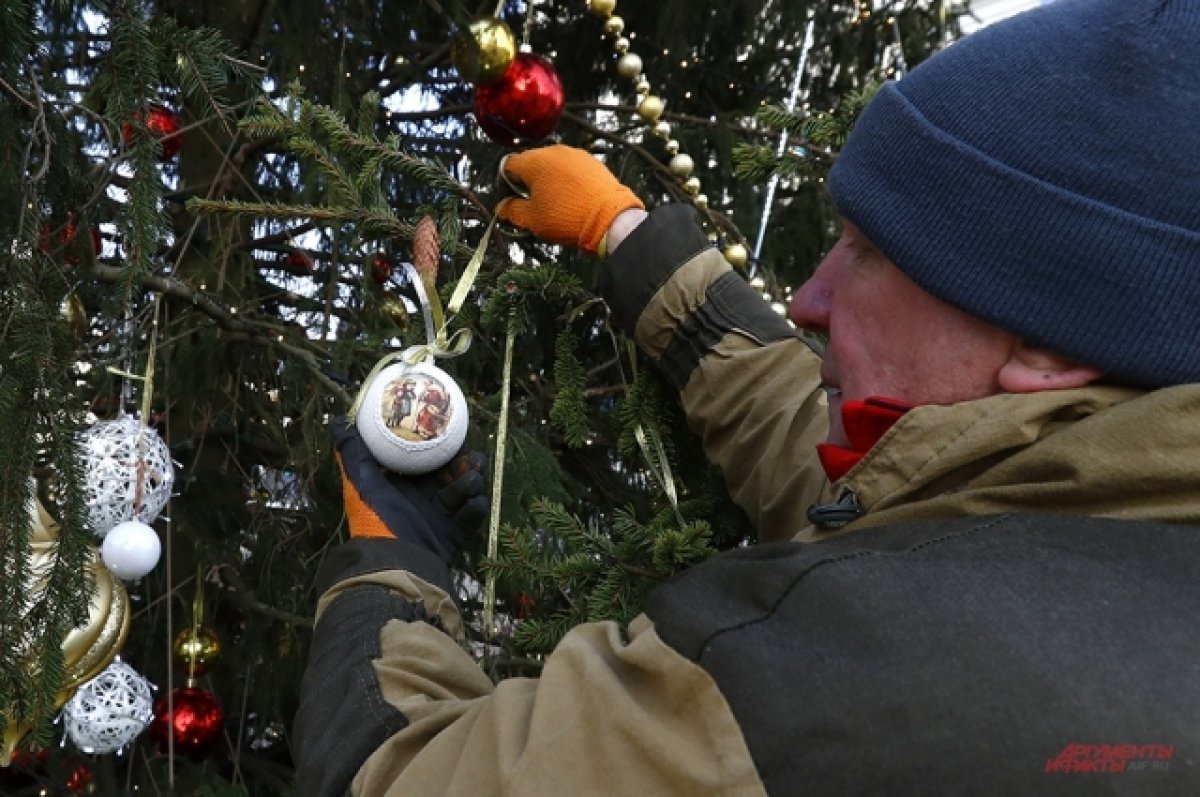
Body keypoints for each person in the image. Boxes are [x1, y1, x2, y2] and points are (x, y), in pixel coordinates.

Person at [295, 0, 1200, 793]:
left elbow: (406, 779)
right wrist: (627, 236)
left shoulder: (847, 667)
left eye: (874, 253)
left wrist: (393, 569)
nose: (809, 298)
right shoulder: (1115, 500)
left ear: (1040, 345)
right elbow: (843, 463)